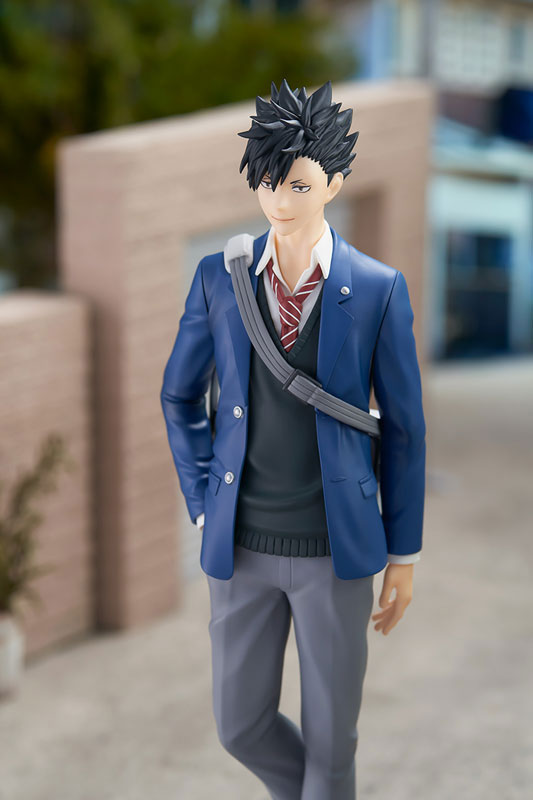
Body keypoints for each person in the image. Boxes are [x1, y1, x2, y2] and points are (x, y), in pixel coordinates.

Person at [160, 78, 426, 800]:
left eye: (300, 184)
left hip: (335, 549)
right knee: (239, 725)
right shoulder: (220, 279)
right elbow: (179, 396)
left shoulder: (377, 288)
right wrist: (202, 500)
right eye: (269, 182)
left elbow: (404, 430)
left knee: (332, 742)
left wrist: (403, 554)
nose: (281, 199)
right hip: (240, 545)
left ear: (334, 183)